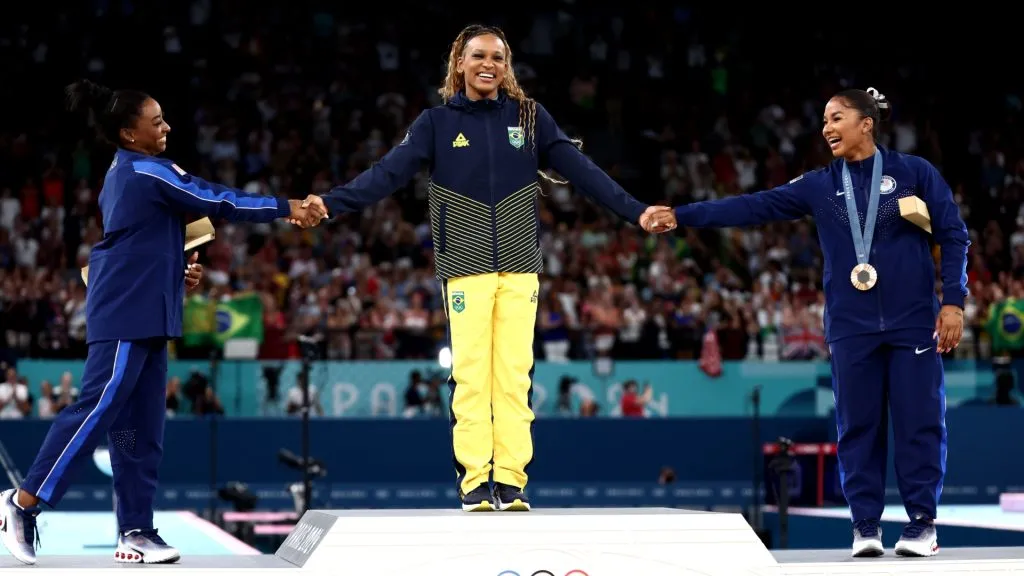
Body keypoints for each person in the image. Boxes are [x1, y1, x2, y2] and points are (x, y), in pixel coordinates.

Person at [300, 24, 672, 512]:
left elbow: (583, 172)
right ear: (459, 63)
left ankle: (512, 482)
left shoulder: (530, 117)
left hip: (520, 266)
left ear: (507, 66)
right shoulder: (435, 123)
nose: (488, 65)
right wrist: (330, 203)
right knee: (473, 376)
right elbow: (386, 174)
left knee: (515, 375)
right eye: (478, 56)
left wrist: (635, 210)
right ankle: (476, 481)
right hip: (466, 267)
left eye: (497, 57)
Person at [0, 79, 323, 566]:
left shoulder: (128, 173)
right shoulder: (147, 171)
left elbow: (140, 239)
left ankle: (135, 528)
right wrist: (288, 207)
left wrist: (176, 270)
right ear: (130, 135)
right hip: (126, 312)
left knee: (137, 431)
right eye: (156, 121)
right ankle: (24, 505)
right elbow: (217, 199)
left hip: (149, 312)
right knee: (98, 407)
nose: (167, 126)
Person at [650, 87, 968, 557]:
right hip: (851, 325)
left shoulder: (913, 173)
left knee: (919, 422)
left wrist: (954, 302)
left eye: (836, 118)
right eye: (823, 120)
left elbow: (953, 234)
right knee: (857, 425)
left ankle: (922, 524)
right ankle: (865, 526)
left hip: (913, 322)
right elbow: (753, 206)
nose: (826, 128)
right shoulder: (820, 184)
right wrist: (683, 215)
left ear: (866, 123)